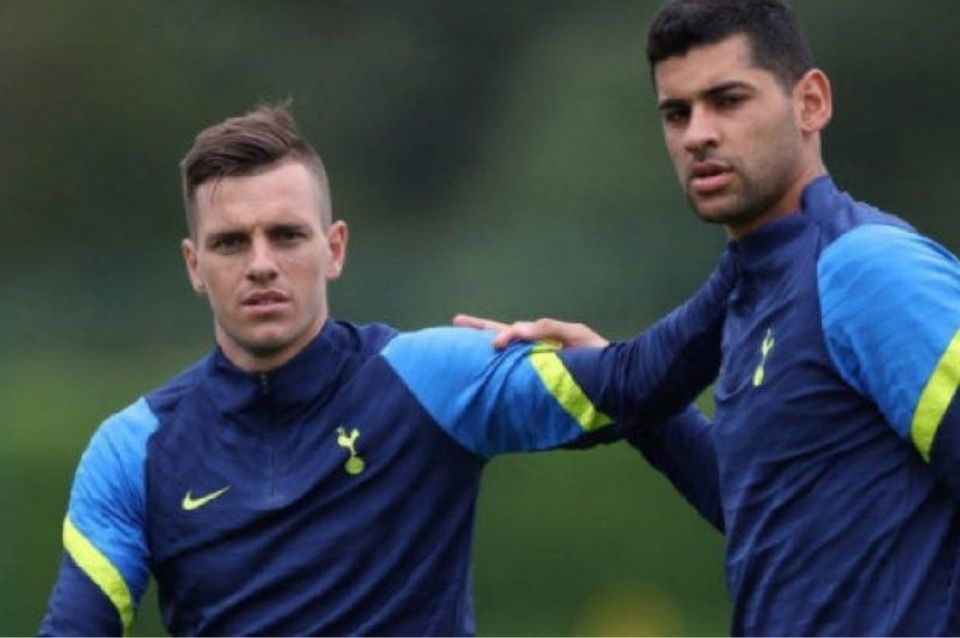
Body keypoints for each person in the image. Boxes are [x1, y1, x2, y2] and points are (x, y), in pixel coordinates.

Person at [38, 103, 732, 636]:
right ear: (194, 265)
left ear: (334, 247)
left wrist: (759, 244)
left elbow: (645, 389)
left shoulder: (432, 379)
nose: (261, 263)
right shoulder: (134, 449)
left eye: (287, 234)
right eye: (230, 243)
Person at [457, 0, 960, 635]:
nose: (697, 134)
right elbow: (767, 511)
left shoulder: (866, 269)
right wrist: (605, 376)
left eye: (728, 101)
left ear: (811, 103)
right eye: (677, 113)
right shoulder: (752, 286)